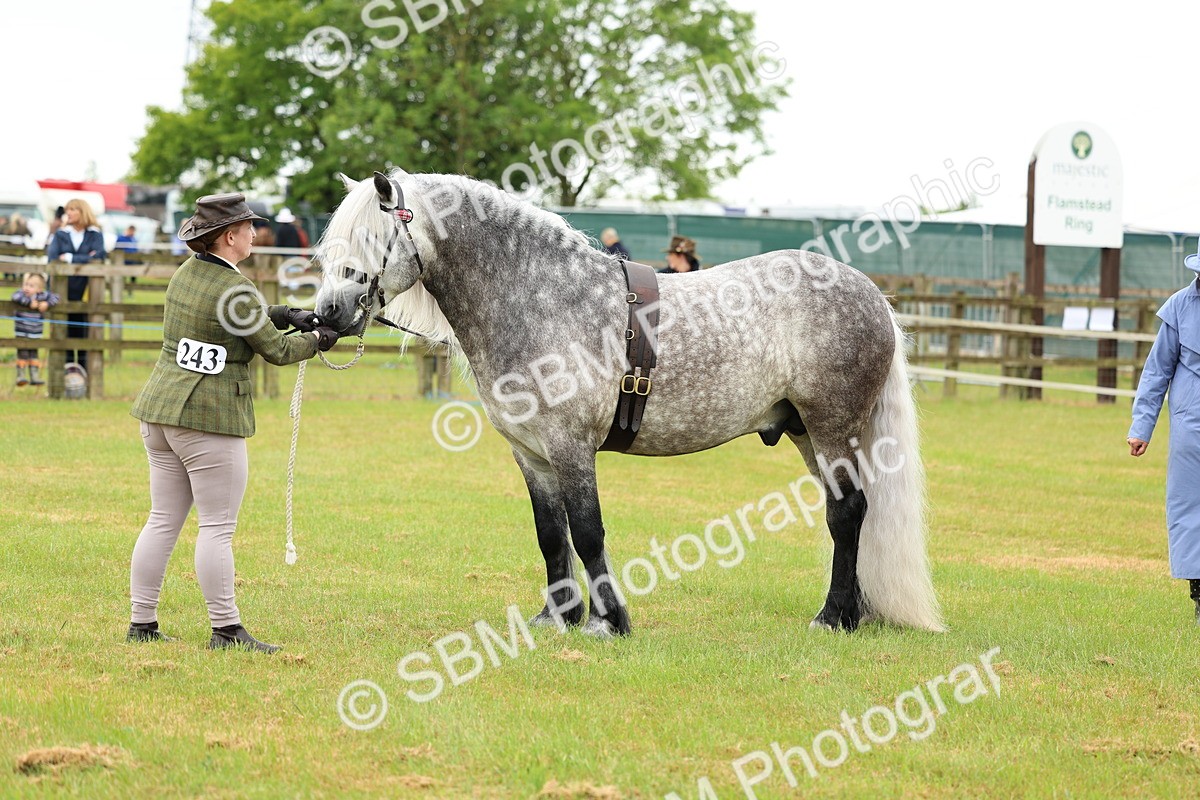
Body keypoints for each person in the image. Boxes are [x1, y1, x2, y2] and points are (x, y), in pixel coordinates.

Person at [127, 192, 341, 652]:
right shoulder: (236, 287)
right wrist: (321, 339)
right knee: (217, 527)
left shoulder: (188, 275)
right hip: (208, 418)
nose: (255, 233)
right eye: (248, 227)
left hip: (160, 412)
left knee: (162, 520)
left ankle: (141, 622)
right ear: (229, 236)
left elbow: (229, 321)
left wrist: (282, 314)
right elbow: (278, 351)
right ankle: (226, 629)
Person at [1128, 242, 1200, 624]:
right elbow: (1157, 371)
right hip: (1192, 426)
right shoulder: (1179, 308)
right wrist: (1142, 426)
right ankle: (1199, 589)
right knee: (1189, 507)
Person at [46, 199, 106, 371]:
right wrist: (87, 257)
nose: (69, 213)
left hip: (86, 294)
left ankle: (81, 375)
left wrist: (71, 258)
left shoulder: (95, 234)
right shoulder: (61, 234)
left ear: (83, 211)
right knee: (62, 335)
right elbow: (53, 258)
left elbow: (100, 256)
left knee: (83, 335)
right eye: (67, 210)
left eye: (73, 209)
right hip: (61, 293)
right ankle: (63, 375)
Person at [11, 272, 59, 386]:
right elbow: (14, 297)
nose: (27, 288)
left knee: (34, 354)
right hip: (22, 330)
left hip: (35, 332)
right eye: (26, 284)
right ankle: (21, 376)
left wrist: (47, 304)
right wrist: (28, 303)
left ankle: (34, 376)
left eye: (31, 286)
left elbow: (56, 297)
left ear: (39, 289)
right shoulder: (21, 294)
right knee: (22, 353)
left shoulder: (43, 296)